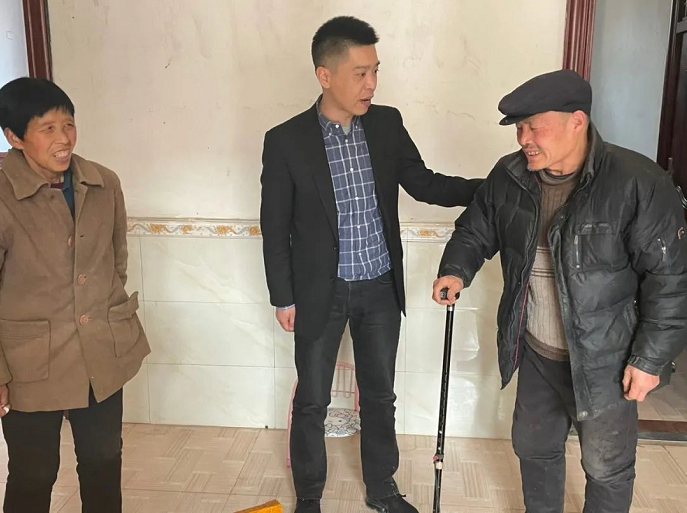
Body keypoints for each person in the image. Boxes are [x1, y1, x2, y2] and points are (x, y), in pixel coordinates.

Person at [432, 69, 687, 513]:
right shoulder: (511, 175)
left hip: (607, 359)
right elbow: (476, 228)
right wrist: (455, 270)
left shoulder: (636, 182)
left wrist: (649, 360)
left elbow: (671, 280)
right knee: (533, 448)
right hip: (536, 350)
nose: (523, 140)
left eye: (534, 127)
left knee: (606, 467)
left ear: (577, 121)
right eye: (519, 128)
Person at [260, 16, 482, 513]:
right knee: (313, 399)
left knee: (380, 395)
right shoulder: (286, 141)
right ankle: (309, 496)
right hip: (319, 291)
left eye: (375, 71)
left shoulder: (385, 124)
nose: (371, 84)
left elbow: (424, 183)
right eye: (360, 73)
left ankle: (382, 489)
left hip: (379, 285)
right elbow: (275, 227)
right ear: (324, 75)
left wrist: (490, 189)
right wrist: (283, 296)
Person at [0, 77, 150, 513]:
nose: (64, 138)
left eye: (68, 124)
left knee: (103, 462)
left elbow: (115, 262)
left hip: (100, 353)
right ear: (14, 137)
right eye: (47, 128)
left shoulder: (103, 182)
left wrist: (104, 315)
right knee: (33, 472)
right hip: (29, 362)